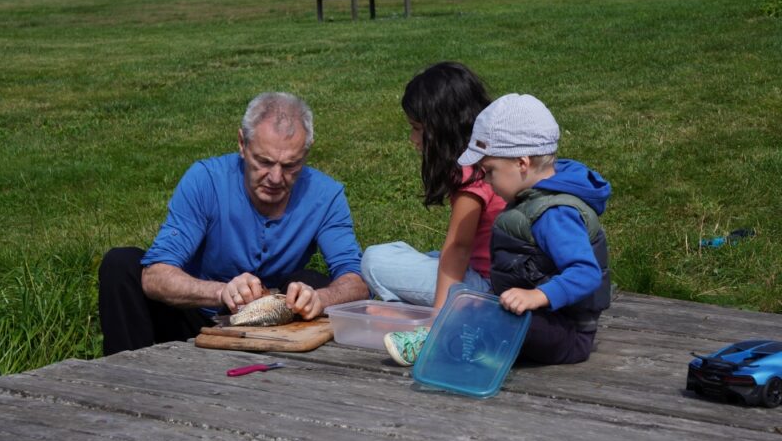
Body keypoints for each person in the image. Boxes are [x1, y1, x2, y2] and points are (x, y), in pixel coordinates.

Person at [99, 92, 368, 356]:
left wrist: (319, 299)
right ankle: (128, 370)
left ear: (306, 153)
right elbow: (155, 275)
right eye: (264, 162)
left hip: (276, 326)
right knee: (121, 264)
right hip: (198, 318)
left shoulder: (326, 195)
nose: (276, 178)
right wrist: (222, 292)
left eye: (290, 166)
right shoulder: (206, 180)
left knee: (310, 282)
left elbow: (357, 281)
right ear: (242, 144)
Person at [386, 93, 612, 366]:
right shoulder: (531, 199)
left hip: (566, 333)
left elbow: (586, 273)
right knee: (474, 307)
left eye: (490, 171)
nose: (486, 181)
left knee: (492, 319)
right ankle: (448, 340)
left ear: (522, 163)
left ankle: (444, 346)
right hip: (540, 320)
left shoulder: (555, 214)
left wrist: (537, 296)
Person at [361, 62, 506, 313]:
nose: (413, 139)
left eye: (417, 129)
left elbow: (458, 247)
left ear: (443, 128)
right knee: (416, 255)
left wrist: (438, 317)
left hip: (485, 292)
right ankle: (410, 308)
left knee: (374, 260)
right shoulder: (492, 154)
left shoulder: (470, 172)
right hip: (491, 279)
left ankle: (420, 314)